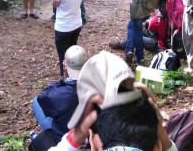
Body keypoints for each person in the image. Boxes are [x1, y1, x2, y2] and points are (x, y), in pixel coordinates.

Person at [49, 50, 177, 151]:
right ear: (158, 147)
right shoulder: (157, 144)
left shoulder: (56, 95)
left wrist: (77, 135)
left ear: (94, 145)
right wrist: (157, 122)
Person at [31, 45, 88, 148]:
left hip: (65, 138)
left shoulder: (57, 95)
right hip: (89, 136)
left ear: (65, 65)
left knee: (36, 102)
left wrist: (63, 80)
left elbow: (42, 97)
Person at [52, 0, 86, 77]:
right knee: (72, 55)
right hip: (76, 24)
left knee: (63, 57)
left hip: (63, 27)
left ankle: (64, 80)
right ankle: (73, 78)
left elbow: (54, 4)